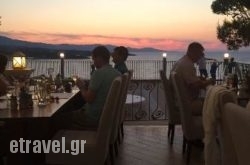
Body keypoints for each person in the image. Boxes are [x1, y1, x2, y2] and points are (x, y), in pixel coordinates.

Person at [52, 46, 121, 131]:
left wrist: (81, 87)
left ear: (99, 58)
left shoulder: (98, 73)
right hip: (104, 116)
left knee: (55, 119)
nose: (94, 62)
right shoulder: (117, 74)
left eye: (94, 59)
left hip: (92, 118)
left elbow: (89, 99)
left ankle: (63, 143)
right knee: (73, 107)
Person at [170, 42, 214, 115]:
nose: (200, 57)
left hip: (180, 101)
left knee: (210, 101)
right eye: (200, 54)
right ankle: (207, 126)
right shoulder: (187, 65)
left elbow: (189, 81)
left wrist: (198, 78)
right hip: (187, 104)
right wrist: (210, 81)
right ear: (193, 53)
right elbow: (196, 85)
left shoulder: (181, 62)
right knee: (214, 105)